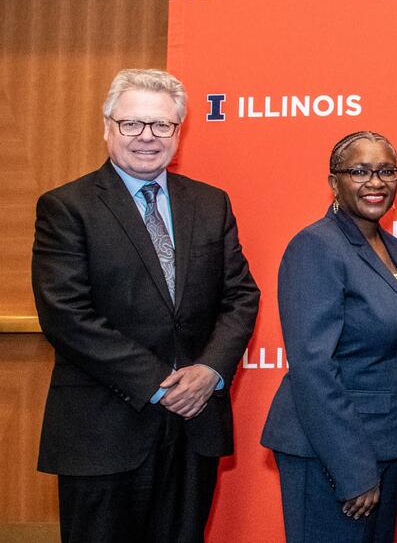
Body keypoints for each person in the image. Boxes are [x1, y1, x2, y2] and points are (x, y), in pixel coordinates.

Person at [32, 68, 260, 541]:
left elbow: (240, 296)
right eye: (131, 124)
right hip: (103, 432)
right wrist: (162, 384)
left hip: (194, 427)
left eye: (162, 125)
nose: (146, 138)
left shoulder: (210, 203)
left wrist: (209, 373)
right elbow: (66, 315)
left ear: (179, 131)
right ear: (107, 127)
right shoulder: (67, 207)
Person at [260, 132, 397, 542]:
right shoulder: (315, 246)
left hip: (388, 447)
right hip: (330, 454)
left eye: (386, 170)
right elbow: (314, 368)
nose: (376, 182)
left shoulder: (394, 249)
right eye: (359, 171)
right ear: (333, 181)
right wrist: (353, 471)